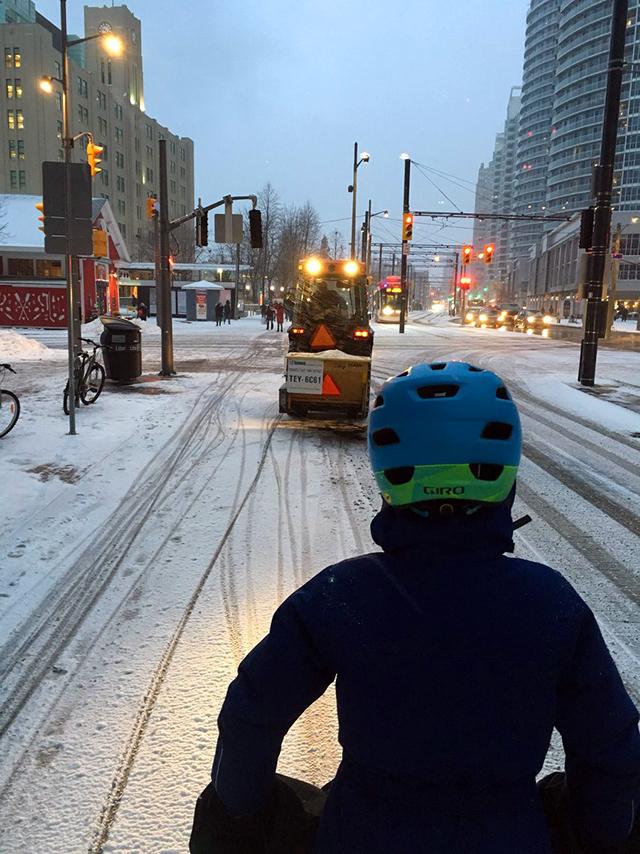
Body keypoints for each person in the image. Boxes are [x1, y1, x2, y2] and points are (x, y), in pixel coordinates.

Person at [191, 362, 640, 854]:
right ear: (505, 476)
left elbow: (251, 715)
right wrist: (600, 832)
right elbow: (611, 750)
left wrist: (240, 814)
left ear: (387, 478)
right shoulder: (552, 604)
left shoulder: (342, 595)